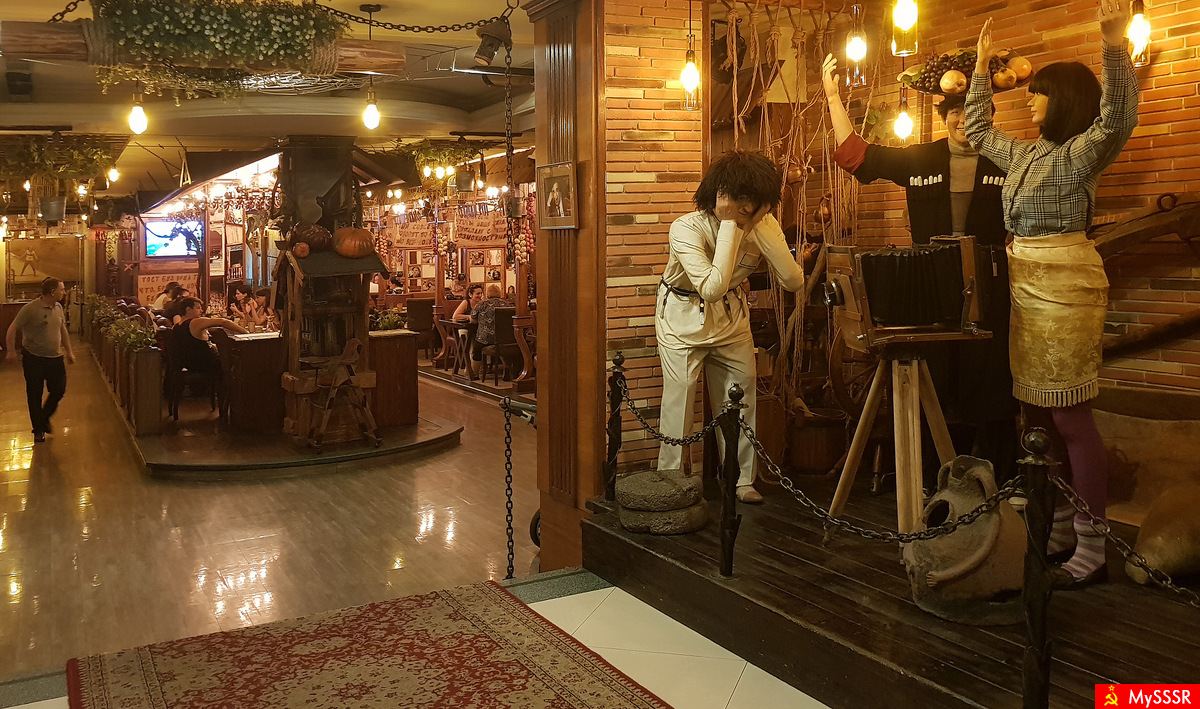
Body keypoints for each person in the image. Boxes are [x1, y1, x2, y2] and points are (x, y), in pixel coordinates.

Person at [966, 0, 1138, 588]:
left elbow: (1118, 116)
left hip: (1066, 288)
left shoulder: (1080, 152)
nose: (1028, 101)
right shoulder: (1025, 153)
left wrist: (1113, 42)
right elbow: (977, 130)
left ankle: (1093, 546)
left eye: (1038, 94)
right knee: (1037, 411)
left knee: (1070, 415)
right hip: (1025, 288)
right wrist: (981, 70)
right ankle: (1062, 525)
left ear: (1062, 99)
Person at [822, 53, 1019, 487]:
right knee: (935, 380)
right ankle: (932, 480)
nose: (962, 120)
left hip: (992, 288)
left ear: (989, 115)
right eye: (954, 112)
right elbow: (856, 157)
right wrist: (834, 98)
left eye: (973, 111)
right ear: (944, 117)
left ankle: (999, 482)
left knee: (992, 382)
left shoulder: (1011, 159)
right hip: (932, 290)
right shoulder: (921, 159)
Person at [656, 150, 805, 503]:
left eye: (761, 202)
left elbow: (793, 280)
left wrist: (763, 229)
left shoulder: (762, 223)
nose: (756, 210)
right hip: (681, 317)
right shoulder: (686, 228)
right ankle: (670, 479)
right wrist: (729, 227)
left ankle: (740, 479)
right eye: (751, 201)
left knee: (742, 394)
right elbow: (711, 287)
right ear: (726, 198)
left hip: (732, 318)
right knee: (679, 399)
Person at [6, 277, 75, 442]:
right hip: (34, 358)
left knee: (58, 390)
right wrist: (11, 351)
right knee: (34, 394)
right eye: (61, 289)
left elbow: (62, 330)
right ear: (52, 292)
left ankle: (43, 419)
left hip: (55, 357)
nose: (64, 292)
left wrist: (69, 351)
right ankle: (38, 429)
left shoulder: (58, 307)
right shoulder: (30, 308)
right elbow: (13, 328)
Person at [172, 297, 248, 375]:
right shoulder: (194, 322)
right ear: (188, 310)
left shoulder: (176, 326)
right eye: (198, 308)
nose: (201, 311)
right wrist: (245, 332)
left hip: (191, 365)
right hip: (208, 366)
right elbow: (223, 322)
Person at [470, 284, 509, 366]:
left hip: (485, 339)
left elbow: (473, 320)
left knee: (476, 350)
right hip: (503, 339)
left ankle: (475, 371)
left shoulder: (481, 304)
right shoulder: (506, 304)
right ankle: (507, 367)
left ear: (487, 294)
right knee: (504, 350)